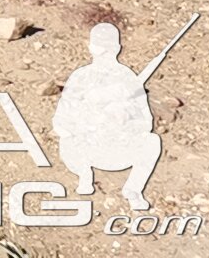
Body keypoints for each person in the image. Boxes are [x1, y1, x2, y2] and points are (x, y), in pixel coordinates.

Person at [53, 20, 163, 211]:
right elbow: (61, 122)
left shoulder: (128, 78)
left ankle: (133, 190)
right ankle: (84, 175)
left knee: (152, 141)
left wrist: (123, 117)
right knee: (66, 140)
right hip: (87, 149)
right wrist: (91, 121)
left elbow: (146, 123)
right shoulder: (81, 77)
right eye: (101, 47)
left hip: (118, 149)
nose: (104, 52)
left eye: (107, 47)